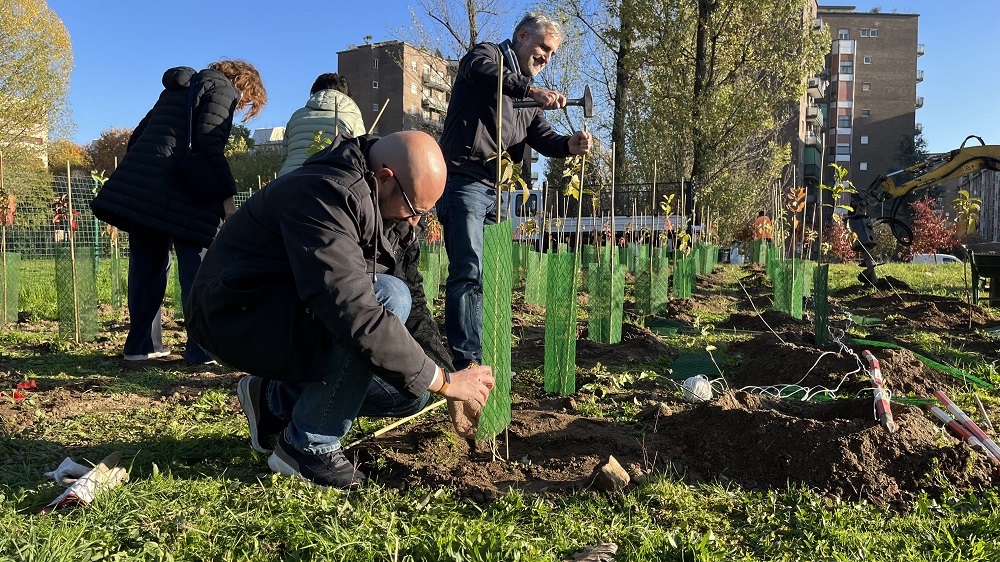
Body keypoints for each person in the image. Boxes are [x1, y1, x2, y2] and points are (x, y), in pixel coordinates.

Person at [186, 131, 495, 488]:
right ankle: (308, 447)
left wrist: (445, 375)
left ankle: (273, 401)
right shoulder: (326, 194)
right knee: (388, 296)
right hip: (234, 314)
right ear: (384, 179)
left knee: (412, 393)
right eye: (414, 210)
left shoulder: (391, 214)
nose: (415, 223)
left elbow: (417, 302)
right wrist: (445, 382)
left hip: (289, 313)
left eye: (423, 215)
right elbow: (351, 309)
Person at [437, 12, 592, 370]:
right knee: (468, 271)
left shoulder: (525, 94)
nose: (547, 58)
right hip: (463, 181)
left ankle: (487, 353)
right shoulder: (487, 56)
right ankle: (467, 365)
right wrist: (531, 90)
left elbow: (542, 136)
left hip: (496, 190)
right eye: (544, 47)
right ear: (522, 36)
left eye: (553, 53)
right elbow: (482, 72)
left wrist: (570, 144)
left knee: (490, 275)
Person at [91, 60, 266, 364]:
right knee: (196, 268)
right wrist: (228, 200)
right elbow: (209, 145)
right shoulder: (223, 90)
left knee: (146, 267)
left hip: (145, 192)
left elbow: (137, 137)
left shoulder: (178, 88)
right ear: (244, 85)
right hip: (188, 193)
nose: (240, 108)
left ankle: (141, 346)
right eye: (246, 103)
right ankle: (201, 349)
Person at [277, 73, 365, 177]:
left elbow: (285, 156)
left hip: (289, 178)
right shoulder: (352, 115)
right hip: (331, 179)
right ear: (346, 94)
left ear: (315, 91)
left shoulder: (297, 116)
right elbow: (361, 154)